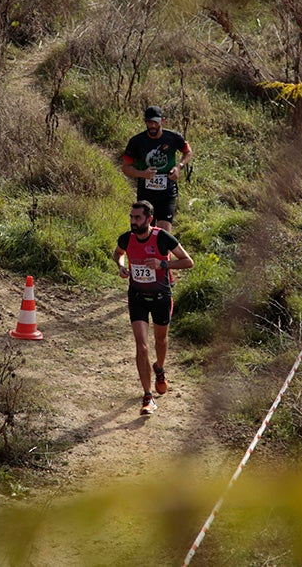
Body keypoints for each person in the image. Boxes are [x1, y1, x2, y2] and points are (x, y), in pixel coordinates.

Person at [113, 200, 194, 415]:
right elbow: (117, 253)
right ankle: (147, 396)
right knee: (141, 346)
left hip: (161, 296)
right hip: (137, 296)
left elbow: (188, 261)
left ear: (149, 219)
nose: (133, 222)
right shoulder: (126, 238)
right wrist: (121, 267)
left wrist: (163, 264)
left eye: (137, 218)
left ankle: (159, 368)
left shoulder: (162, 238)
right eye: (131, 217)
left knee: (160, 340)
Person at [121, 105, 192, 233]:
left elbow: (187, 152)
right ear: (145, 121)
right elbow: (125, 167)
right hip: (146, 193)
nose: (152, 126)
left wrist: (178, 167)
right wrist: (142, 174)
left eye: (155, 122)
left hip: (167, 191)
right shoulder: (136, 141)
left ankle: (165, 253)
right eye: (149, 122)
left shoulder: (173, 137)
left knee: (164, 233)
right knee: (145, 231)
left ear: (162, 121)